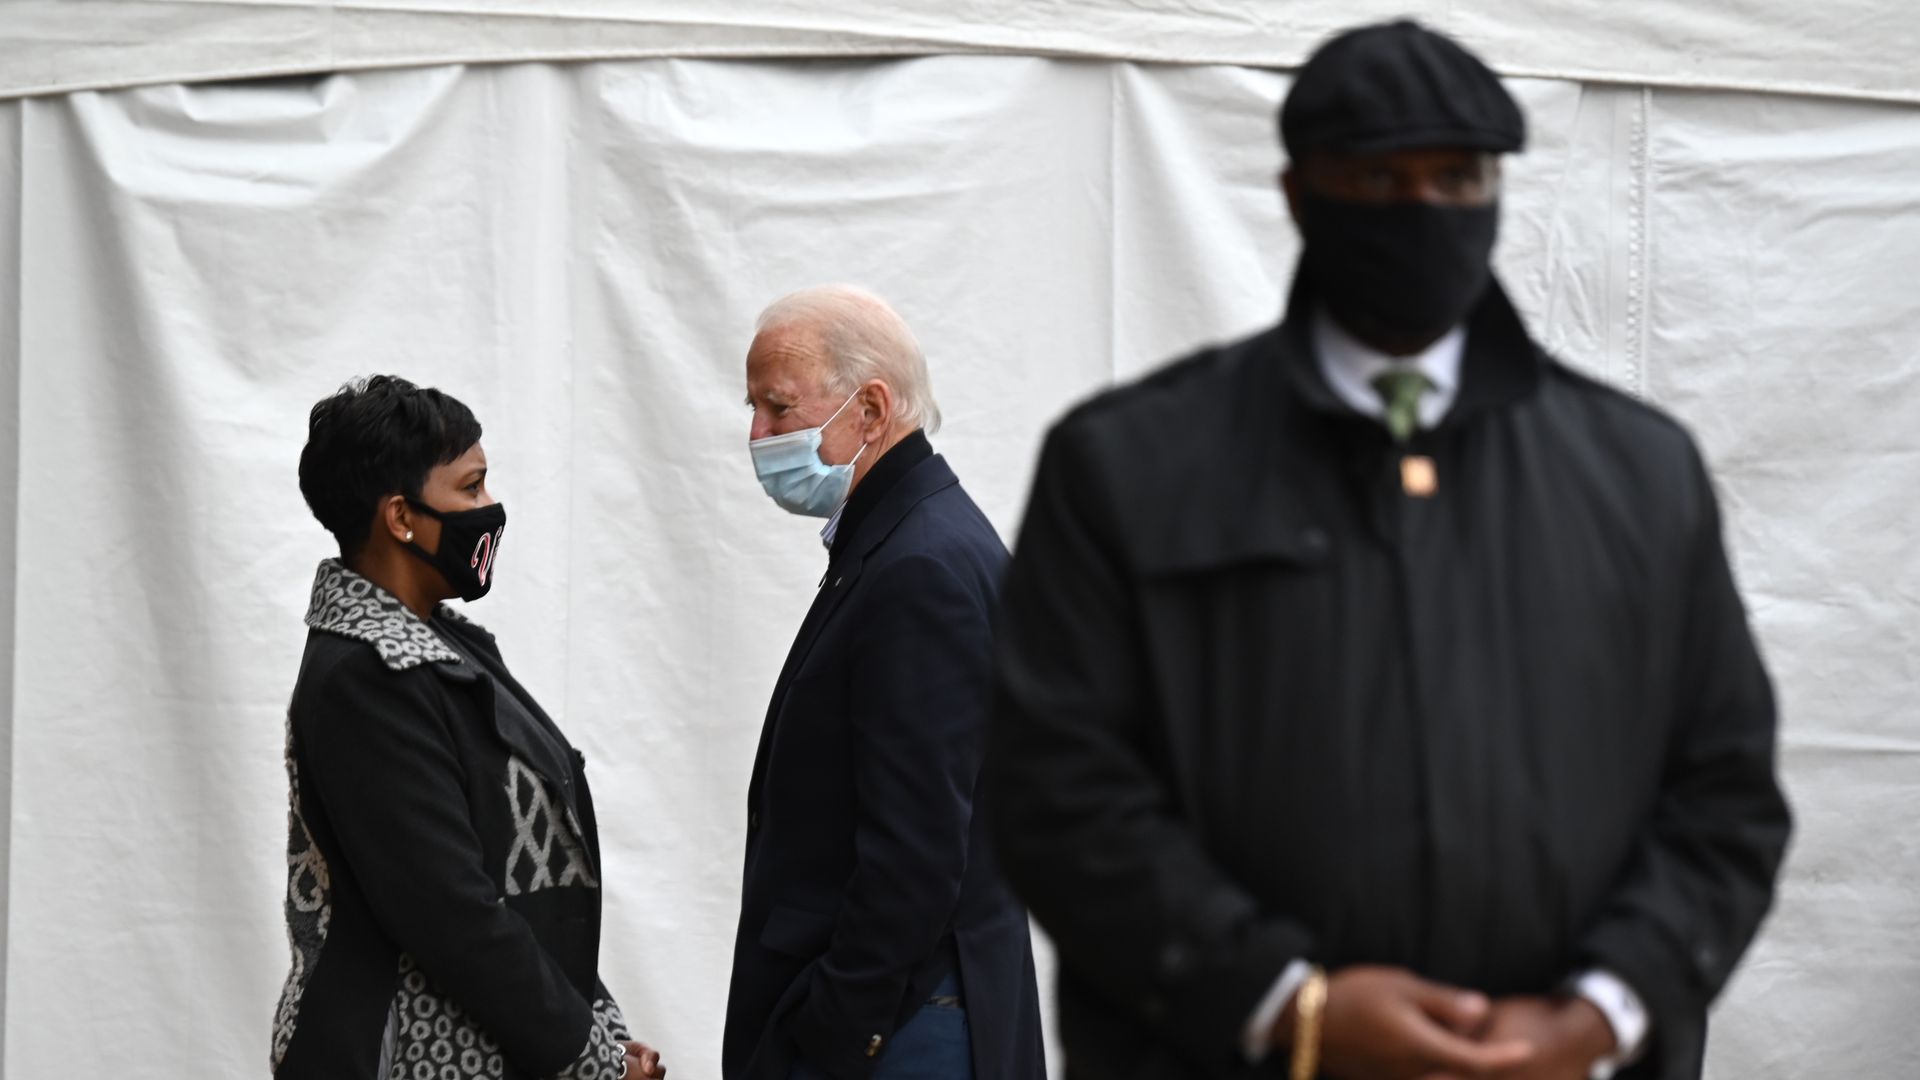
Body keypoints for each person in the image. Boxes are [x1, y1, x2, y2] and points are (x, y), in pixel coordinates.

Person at [988, 21, 1790, 1080]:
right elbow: (1056, 787)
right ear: (1296, 192)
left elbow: (1724, 795)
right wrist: (1286, 1003)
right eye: (1375, 177)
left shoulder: (1641, 477)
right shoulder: (1129, 467)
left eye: (1456, 178)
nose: (1421, 209)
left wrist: (1599, 1014)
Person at [275, 376, 665, 1080]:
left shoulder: (450, 649)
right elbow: (451, 913)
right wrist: (589, 1059)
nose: (490, 511)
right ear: (400, 516)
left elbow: (528, 880)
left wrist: (597, 1030)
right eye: (472, 488)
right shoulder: (368, 677)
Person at [725, 286, 1046, 1080]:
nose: (757, 435)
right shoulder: (907, 542)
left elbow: (918, 847)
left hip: (905, 1031)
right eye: (753, 408)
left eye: (778, 406)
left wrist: (835, 1028)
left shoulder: (920, 568)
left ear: (870, 409)